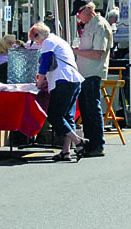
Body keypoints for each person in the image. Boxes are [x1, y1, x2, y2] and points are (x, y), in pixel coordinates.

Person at [30, 22, 87, 162]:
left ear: (39, 35)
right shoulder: (59, 40)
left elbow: (44, 63)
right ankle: (66, 151)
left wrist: (40, 81)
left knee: (55, 115)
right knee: (67, 116)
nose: (36, 43)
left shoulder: (48, 42)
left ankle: (78, 141)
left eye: (35, 39)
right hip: (74, 79)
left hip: (63, 80)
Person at [73, 2, 112, 158]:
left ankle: (97, 144)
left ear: (88, 9)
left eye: (79, 13)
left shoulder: (100, 25)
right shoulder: (90, 24)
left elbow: (97, 53)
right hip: (84, 72)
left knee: (92, 108)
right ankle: (90, 143)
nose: (78, 17)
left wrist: (75, 51)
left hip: (92, 72)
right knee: (86, 109)